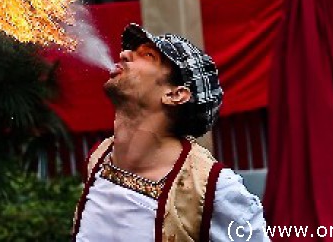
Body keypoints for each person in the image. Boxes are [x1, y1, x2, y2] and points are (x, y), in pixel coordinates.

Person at [72, 23, 271, 241]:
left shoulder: (212, 189)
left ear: (175, 94)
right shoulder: (98, 159)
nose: (124, 54)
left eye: (148, 55)